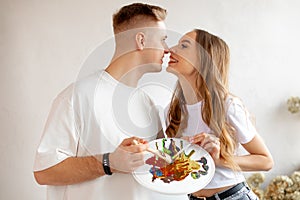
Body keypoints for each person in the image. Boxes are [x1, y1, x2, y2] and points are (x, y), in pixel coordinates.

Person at [33, 3, 184, 200]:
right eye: (162, 40)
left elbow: (159, 169)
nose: (167, 49)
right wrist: (109, 162)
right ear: (141, 40)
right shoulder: (76, 97)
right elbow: (44, 171)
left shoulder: (147, 103)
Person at [165, 29, 274, 200]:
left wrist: (220, 159)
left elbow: (266, 161)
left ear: (204, 59)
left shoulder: (228, 106)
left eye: (184, 46)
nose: (171, 49)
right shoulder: (173, 111)